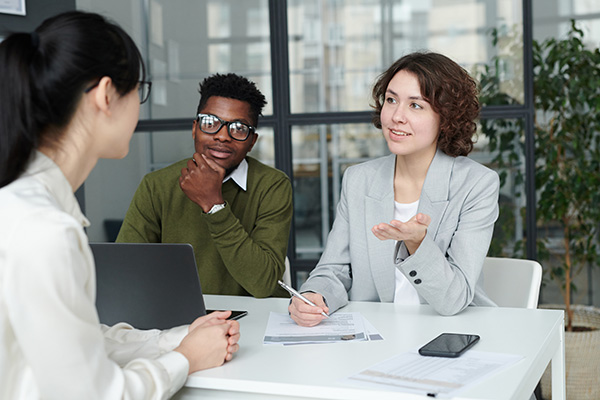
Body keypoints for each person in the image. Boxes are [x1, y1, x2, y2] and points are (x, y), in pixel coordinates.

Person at [0, 11, 239, 399]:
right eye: (138, 92)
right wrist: (184, 359)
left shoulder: (25, 206)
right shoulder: (44, 231)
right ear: (105, 95)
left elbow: (77, 341)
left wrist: (175, 339)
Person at [289, 52, 500, 327]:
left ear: (446, 117)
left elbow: (454, 299)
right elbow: (333, 269)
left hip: (452, 332)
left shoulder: (476, 185)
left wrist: (417, 244)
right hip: (376, 336)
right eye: (391, 100)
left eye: (416, 105)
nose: (397, 116)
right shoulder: (358, 179)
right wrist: (314, 296)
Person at [116, 73, 292, 298]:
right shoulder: (157, 186)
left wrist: (214, 205)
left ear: (251, 142)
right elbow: (127, 270)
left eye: (238, 128)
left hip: (253, 319)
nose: (222, 136)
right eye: (211, 123)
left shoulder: (272, 185)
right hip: (179, 319)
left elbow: (264, 284)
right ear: (194, 128)